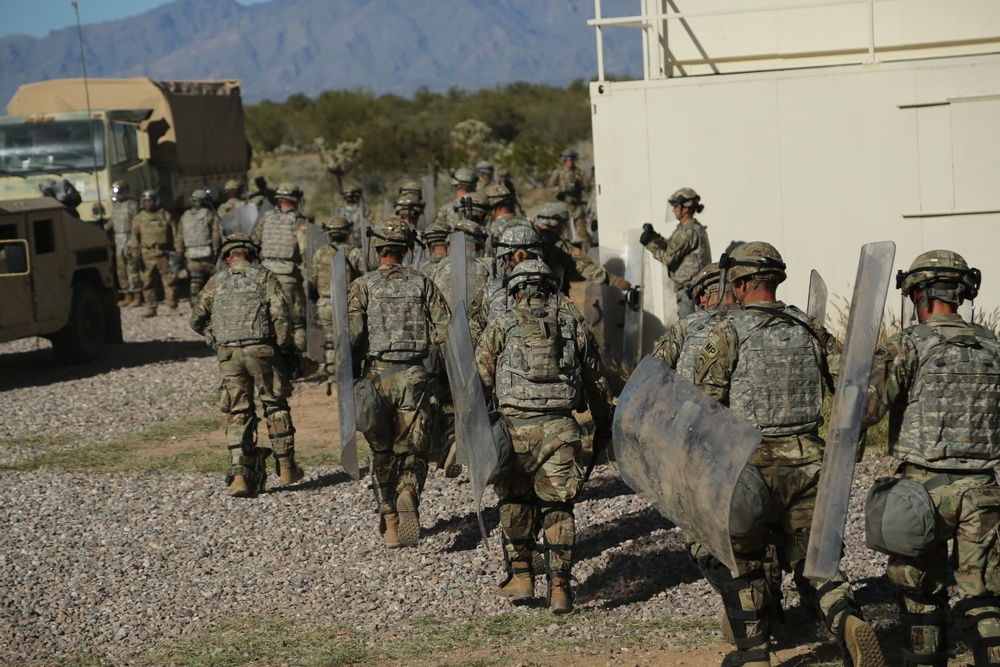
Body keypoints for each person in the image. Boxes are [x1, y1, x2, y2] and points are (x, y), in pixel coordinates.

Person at [693, 242, 884, 667]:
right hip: (812, 463)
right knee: (817, 558)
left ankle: (754, 651)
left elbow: (705, 407)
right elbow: (852, 390)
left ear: (741, 283)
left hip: (750, 465)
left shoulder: (727, 332)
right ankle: (847, 620)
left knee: (742, 559)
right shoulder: (810, 329)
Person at [863, 250, 1000, 667]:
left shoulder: (907, 345)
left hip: (922, 494)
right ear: (963, 291)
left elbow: (867, 411)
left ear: (917, 294)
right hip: (984, 492)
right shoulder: (994, 346)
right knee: (988, 597)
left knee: (921, 594)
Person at [475, 259, 612, 614]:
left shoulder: (501, 324)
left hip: (514, 430)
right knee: (559, 507)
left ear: (516, 291)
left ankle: (521, 576)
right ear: (551, 290)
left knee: (514, 501)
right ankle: (560, 588)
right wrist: (603, 426)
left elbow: (480, 381)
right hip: (562, 429)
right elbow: (597, 382)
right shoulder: (571, 324)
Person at [347, 219, 451, 548]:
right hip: (414, 378)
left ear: (377, 249)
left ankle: (390, 522)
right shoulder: (423, 283)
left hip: (375, 378)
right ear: (407, 250)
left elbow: (352, 336)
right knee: (414, 450)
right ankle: (408, 490)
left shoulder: (363, 286)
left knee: (381, 453)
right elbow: (445, 331)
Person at [189, 234, 305, 497]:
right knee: (274, 404)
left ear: (227, 257)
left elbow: (196, 320)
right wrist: (282, 347)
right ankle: (286, 467)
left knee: (238, 410)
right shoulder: (264, 277)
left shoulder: (215, 281)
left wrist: (215, 337)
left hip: (229, 355)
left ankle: (239, 477)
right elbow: (282, 316)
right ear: (252, 255)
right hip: (262, 350)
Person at [650, 261, 736, 380]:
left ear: (702, 296)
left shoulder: (686, 326)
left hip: (689, 398)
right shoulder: (755, 322)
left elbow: (654, 371)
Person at [308, 216, 365, 388]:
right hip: (349, 304)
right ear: (347, 232)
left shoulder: (320, 253)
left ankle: (333, 375)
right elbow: (364, 278)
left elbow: (312, 279)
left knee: (330, 341)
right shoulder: (355, 252)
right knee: (350, 340)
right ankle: (350, 375)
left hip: (325, 303)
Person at [251, 182, 309, 352]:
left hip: (266, 274)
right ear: (295, 200)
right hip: (288, 276)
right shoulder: (298, 221)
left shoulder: (266, 217)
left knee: (269, 319)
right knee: (297, 321)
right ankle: (298, 361)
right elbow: (304, 249)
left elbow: (254, 242)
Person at [640, 187, 712, 318]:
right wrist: (654, 237)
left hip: (690, 289)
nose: (673, 210)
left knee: (688, 327)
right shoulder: (686, 228)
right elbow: (671, 246)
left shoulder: (688, 231)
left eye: (675, 206)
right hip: (689, 289)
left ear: (685, 209)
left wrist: (650, 245)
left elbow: (668, 257)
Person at [535, 202, 630, 294]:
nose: (564, 227)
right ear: (557, 223)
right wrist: (614, 280)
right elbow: (585, 266)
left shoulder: (533, 237)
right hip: (549, 297)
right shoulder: (557, 243)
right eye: (564, 223)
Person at [131, 189, 180, 318]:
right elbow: (134, 238)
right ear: (143, 202)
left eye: (152, 200)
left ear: (157, 201)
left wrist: (179, 252)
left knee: (169, 281)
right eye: (147, 201)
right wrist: (135, 255)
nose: (149, 203)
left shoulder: (165, 215)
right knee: (147, 283)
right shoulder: (139, 218)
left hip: (164, 253)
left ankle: (172, 307)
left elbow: (176, 235)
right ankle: (151, 307)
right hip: (146, 254)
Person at [177, 189, 222, 299]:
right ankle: (217, 300)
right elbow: (216, 234)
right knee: (216, 278)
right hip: (207, 253)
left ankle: (194, 304)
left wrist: (180, 253)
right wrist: (217, 250)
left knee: (195, 280)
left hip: (190, 253)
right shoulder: (209, 214)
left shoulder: (184, 216)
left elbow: (179, 237)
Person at [547, 148, 592, 252]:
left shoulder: (579, 172)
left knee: (583, 234)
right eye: (567, 160)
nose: (570, 162)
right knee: (564, 234)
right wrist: (562, 189)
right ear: (564, 161)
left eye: (572, 159)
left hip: (577, 207)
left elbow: (587, 187)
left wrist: (579, 183)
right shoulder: (558, 173)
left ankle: (586, 254)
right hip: (564, 206)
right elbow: (550, 188)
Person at [105, 181, 142, 308]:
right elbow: (112, 221)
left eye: (120, 191)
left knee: (132, 268)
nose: (119, 194)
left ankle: (137, 296)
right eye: (116, 192)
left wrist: (134, 241)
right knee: (121, 270)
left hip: (129, 238)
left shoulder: (132, 205)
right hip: (118, 239)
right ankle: (127, 295)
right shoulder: (115, 206)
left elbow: (136, 223)